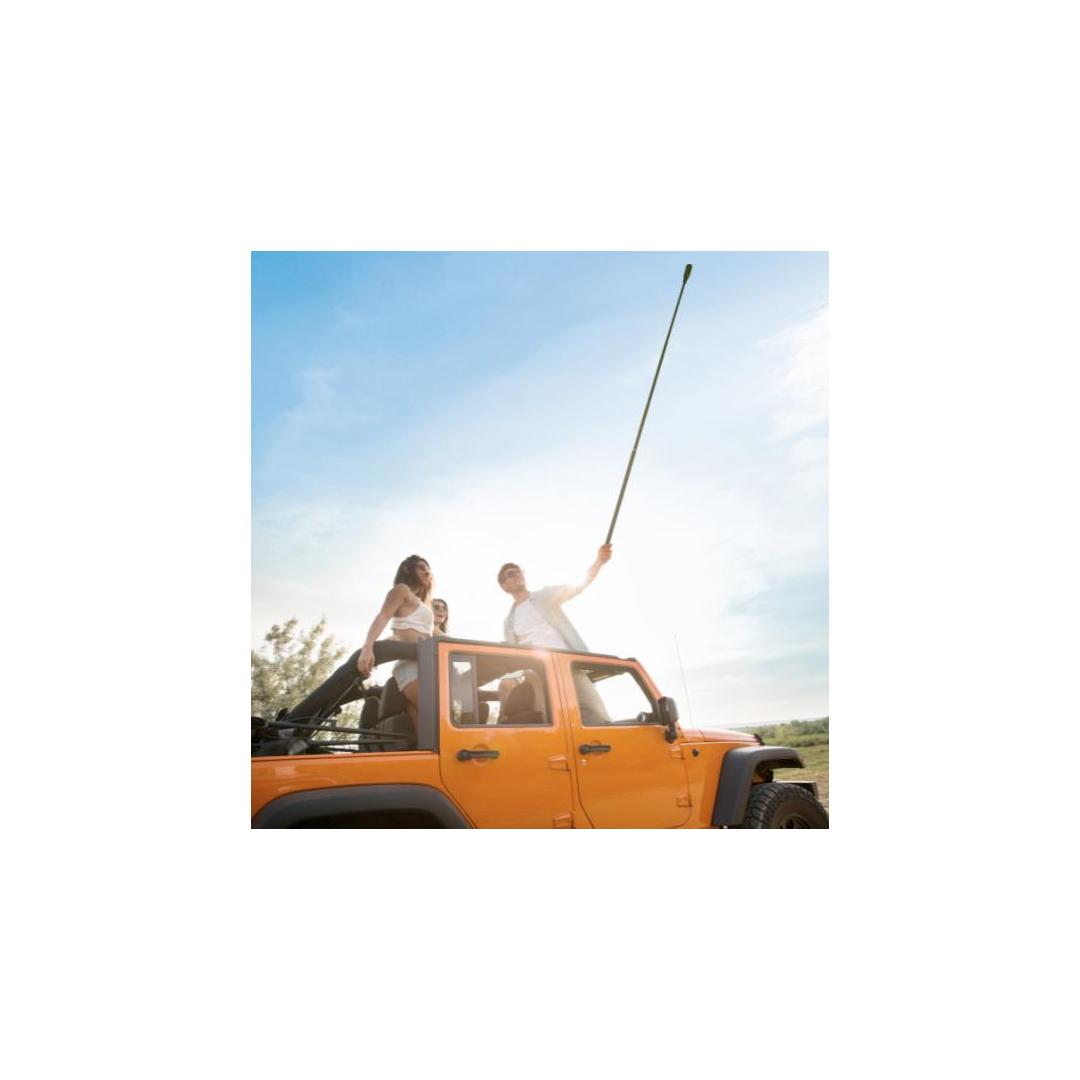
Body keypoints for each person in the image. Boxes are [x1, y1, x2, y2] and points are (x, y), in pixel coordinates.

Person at [497, 544, 613, 722]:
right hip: (535, 671)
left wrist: (599, 561)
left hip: (566, 663)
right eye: (511, 574)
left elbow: (578, 586)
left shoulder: (544, 596)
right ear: (505, 586)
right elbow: (512, 654)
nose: (518, 575)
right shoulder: (509, 622)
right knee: (548, 719)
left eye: (519, 571)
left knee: (595, 712)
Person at [357, 555, 435, 722]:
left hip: (427, 666)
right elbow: (383, 616)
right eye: (421, 568)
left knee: (423, 727)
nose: (427, 572)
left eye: (428, 570)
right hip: (410, 667)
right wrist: (368, 648)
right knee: (436, 715)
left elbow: (401, 633)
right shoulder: (401, 590)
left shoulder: (422, 602)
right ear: (407, 569)